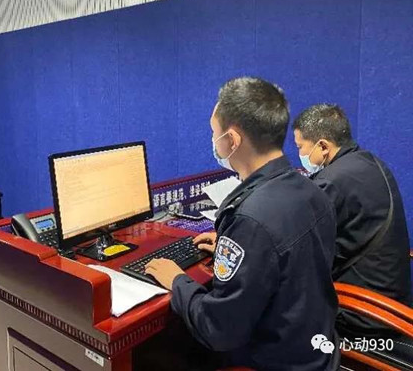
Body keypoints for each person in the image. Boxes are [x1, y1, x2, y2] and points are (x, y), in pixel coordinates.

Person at [143, 77, 340, 370]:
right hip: (315, 350)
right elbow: (284, 262)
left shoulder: (250, 219)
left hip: (275, 361)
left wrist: (177, 280)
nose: (213, 141)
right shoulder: (312, 190)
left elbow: (218, 328)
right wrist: (233, 247)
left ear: (232, 140)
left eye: (214, 133)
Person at [293, 104, 411, 338]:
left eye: (300, 147)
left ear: (323, 146)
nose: (300, 153)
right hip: (395, 300)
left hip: (363, 313)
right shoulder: (370, 162)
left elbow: (297, 244)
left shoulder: (331, 182)